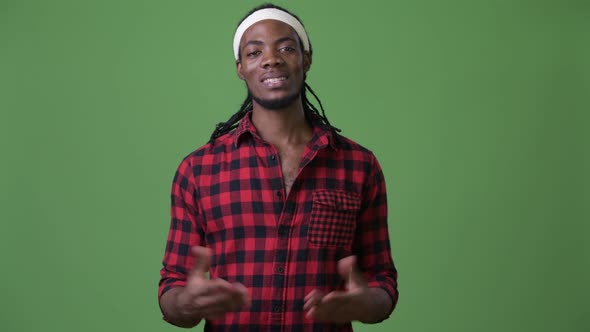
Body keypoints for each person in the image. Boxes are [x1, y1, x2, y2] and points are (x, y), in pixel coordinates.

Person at [158, 3, 398, 331]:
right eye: (254, 52)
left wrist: (368, 303)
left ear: (307, 58)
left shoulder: (358, 166)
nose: (272, 59)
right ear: (240, 67)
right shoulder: (199, 170)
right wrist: (185, 302)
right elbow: (172, 289)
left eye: (286, 47)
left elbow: (381, 280)